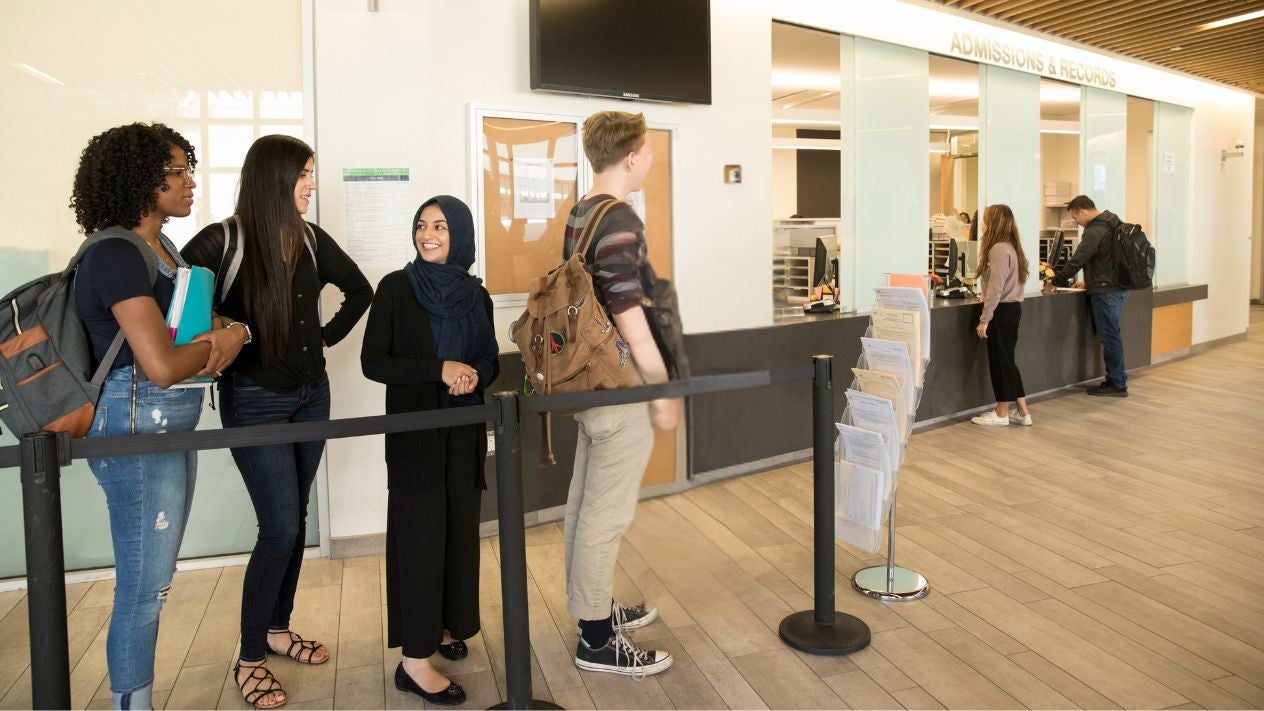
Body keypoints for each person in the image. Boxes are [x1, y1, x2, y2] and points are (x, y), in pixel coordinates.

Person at [182, 135, 373, 708]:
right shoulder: (225, 240)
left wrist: (320, 340)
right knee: (281, 527)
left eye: (311, 173)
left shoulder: (310, 238)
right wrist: (222, 336)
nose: (311, 184)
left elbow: (360, 289)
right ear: (274, 179)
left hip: (312, 396)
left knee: (295, 518)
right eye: (303, 175)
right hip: (255, 399)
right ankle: (250, 657)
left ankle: (276, 628)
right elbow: (178, 302)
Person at [71, 122, 245, 710]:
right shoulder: (117, 252)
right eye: (177, 171)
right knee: (144, 586)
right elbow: (164, 364)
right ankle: (131, 704)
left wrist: (228, 333)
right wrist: (226, 343)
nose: (189, 182)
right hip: (136, 423)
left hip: (164, 421)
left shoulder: (161, 248)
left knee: (155, 580)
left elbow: (201, 328)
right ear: (141, 179)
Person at [360, 195, 499, 706]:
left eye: (439, 226)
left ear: (459, 233)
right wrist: (438, 369)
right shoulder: (396, 289)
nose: (428, 234)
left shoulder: (475, 295)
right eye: (421, 225)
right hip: (416, 437)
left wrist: (474, 374)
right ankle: (413, 662)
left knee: (458, 532)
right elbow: (374, 362)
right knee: (420, 540)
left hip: (463, 433)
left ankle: (445, 627)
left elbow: (488, 359)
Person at [562, 110, 682, 678]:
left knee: (586, 505)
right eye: (648, 151)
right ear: (631, 157)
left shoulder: (581, 213)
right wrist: (662, 390)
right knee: (603, 517)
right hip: (619, 388)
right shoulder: (621, 219)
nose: (651, 159)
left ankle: (595, 607)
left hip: (587, 386)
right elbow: (632, 321)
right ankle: (594, 639)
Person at [1042, 195, 1129, 397]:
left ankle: (1117, 383)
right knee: (1112, 335)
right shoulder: (1113, 222)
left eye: (1075, 218)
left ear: (1083, 211)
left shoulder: (1095, 230)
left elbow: (1078, 259)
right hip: (1119, 288)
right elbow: (1108, 260)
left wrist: (1057, 280)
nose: (1076, 223)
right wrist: (1090, 281)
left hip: (1106, 292)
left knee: (1110, 337)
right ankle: (1115, 379)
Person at [971, 204, 1032, 427]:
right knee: (1007, 360)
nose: (982, 224)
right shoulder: (1011, 247)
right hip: (1011, 309)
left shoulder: (997, 249)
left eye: (986, 219)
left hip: (1001, 311)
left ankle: (1001, 412)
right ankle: (1023, 411)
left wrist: (984, 319)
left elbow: (996, 287)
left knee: (1000, 362)